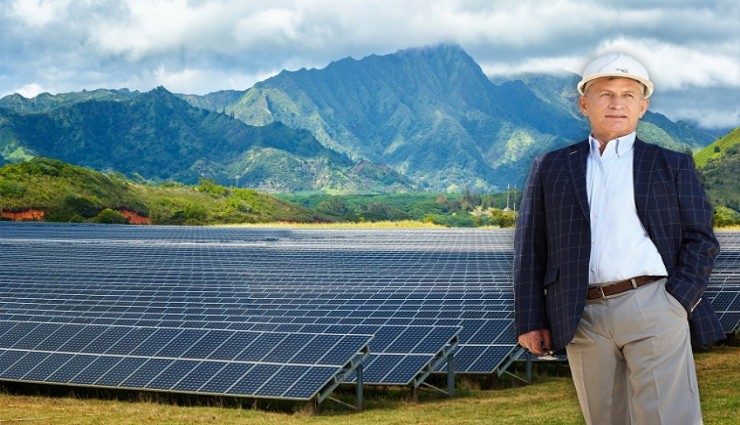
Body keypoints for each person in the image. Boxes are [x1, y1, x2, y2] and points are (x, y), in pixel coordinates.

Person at [513, 52, 726, 425]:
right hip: (580, 314)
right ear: (584, 104)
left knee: (668, 418)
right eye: (606, 94)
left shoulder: (672, 165)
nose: (617, 103)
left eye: (628, 95)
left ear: (643, 107)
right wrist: (530, 319)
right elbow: (530, 248)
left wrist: (678, 301)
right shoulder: (550, 167)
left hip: (653, 304)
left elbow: (701, 239)